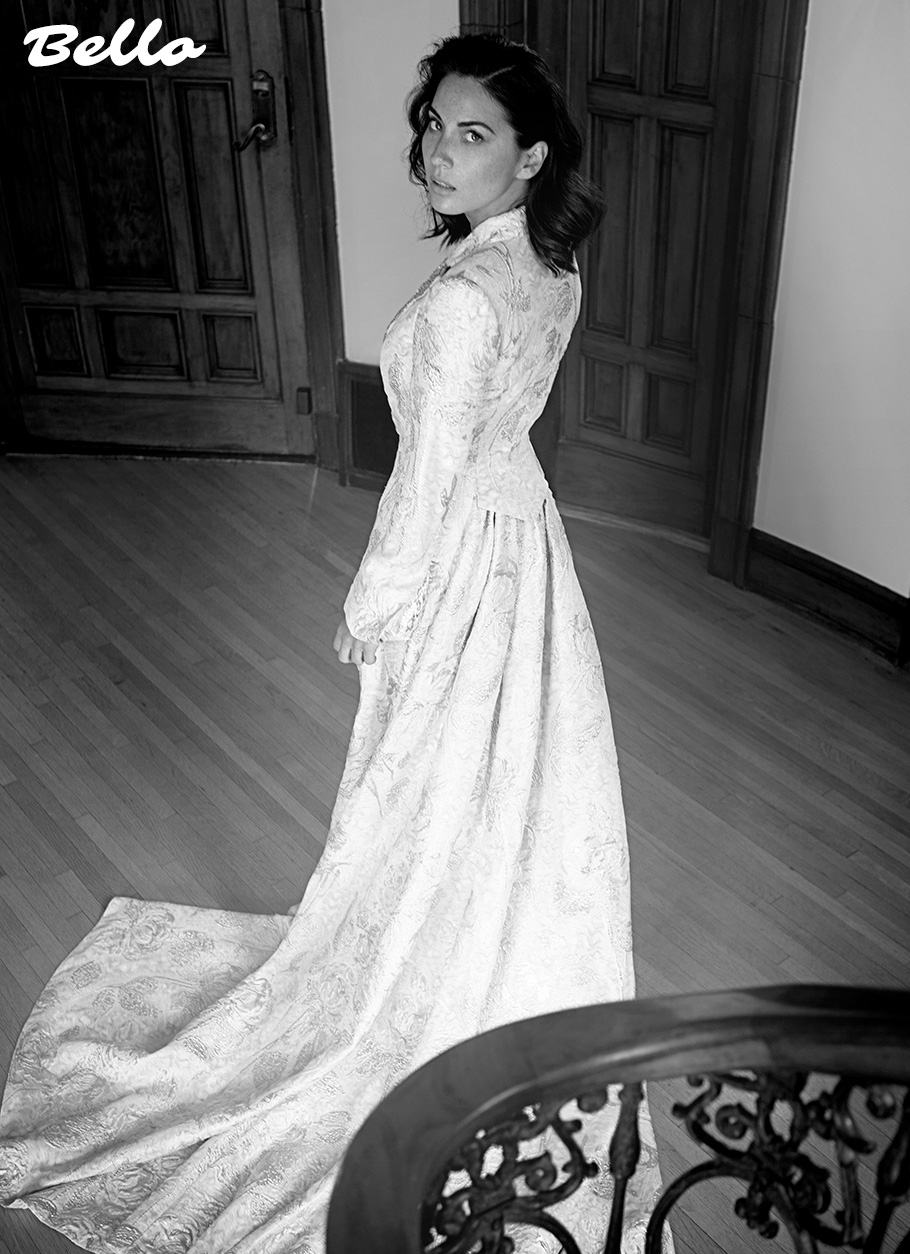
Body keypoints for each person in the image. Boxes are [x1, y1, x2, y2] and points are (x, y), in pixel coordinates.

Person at [0, 32, 666, 1254]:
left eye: (471, 133)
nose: (438, 150)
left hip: (459, 552)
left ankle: (417, 973)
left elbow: (427, 479)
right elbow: (491, 435)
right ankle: (469, 942)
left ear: (530, 157)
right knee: (496, 779)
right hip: (526, 546)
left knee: (422, 776)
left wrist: (375, 604)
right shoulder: (551, 263)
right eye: (434, 125)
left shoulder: (465, 300)